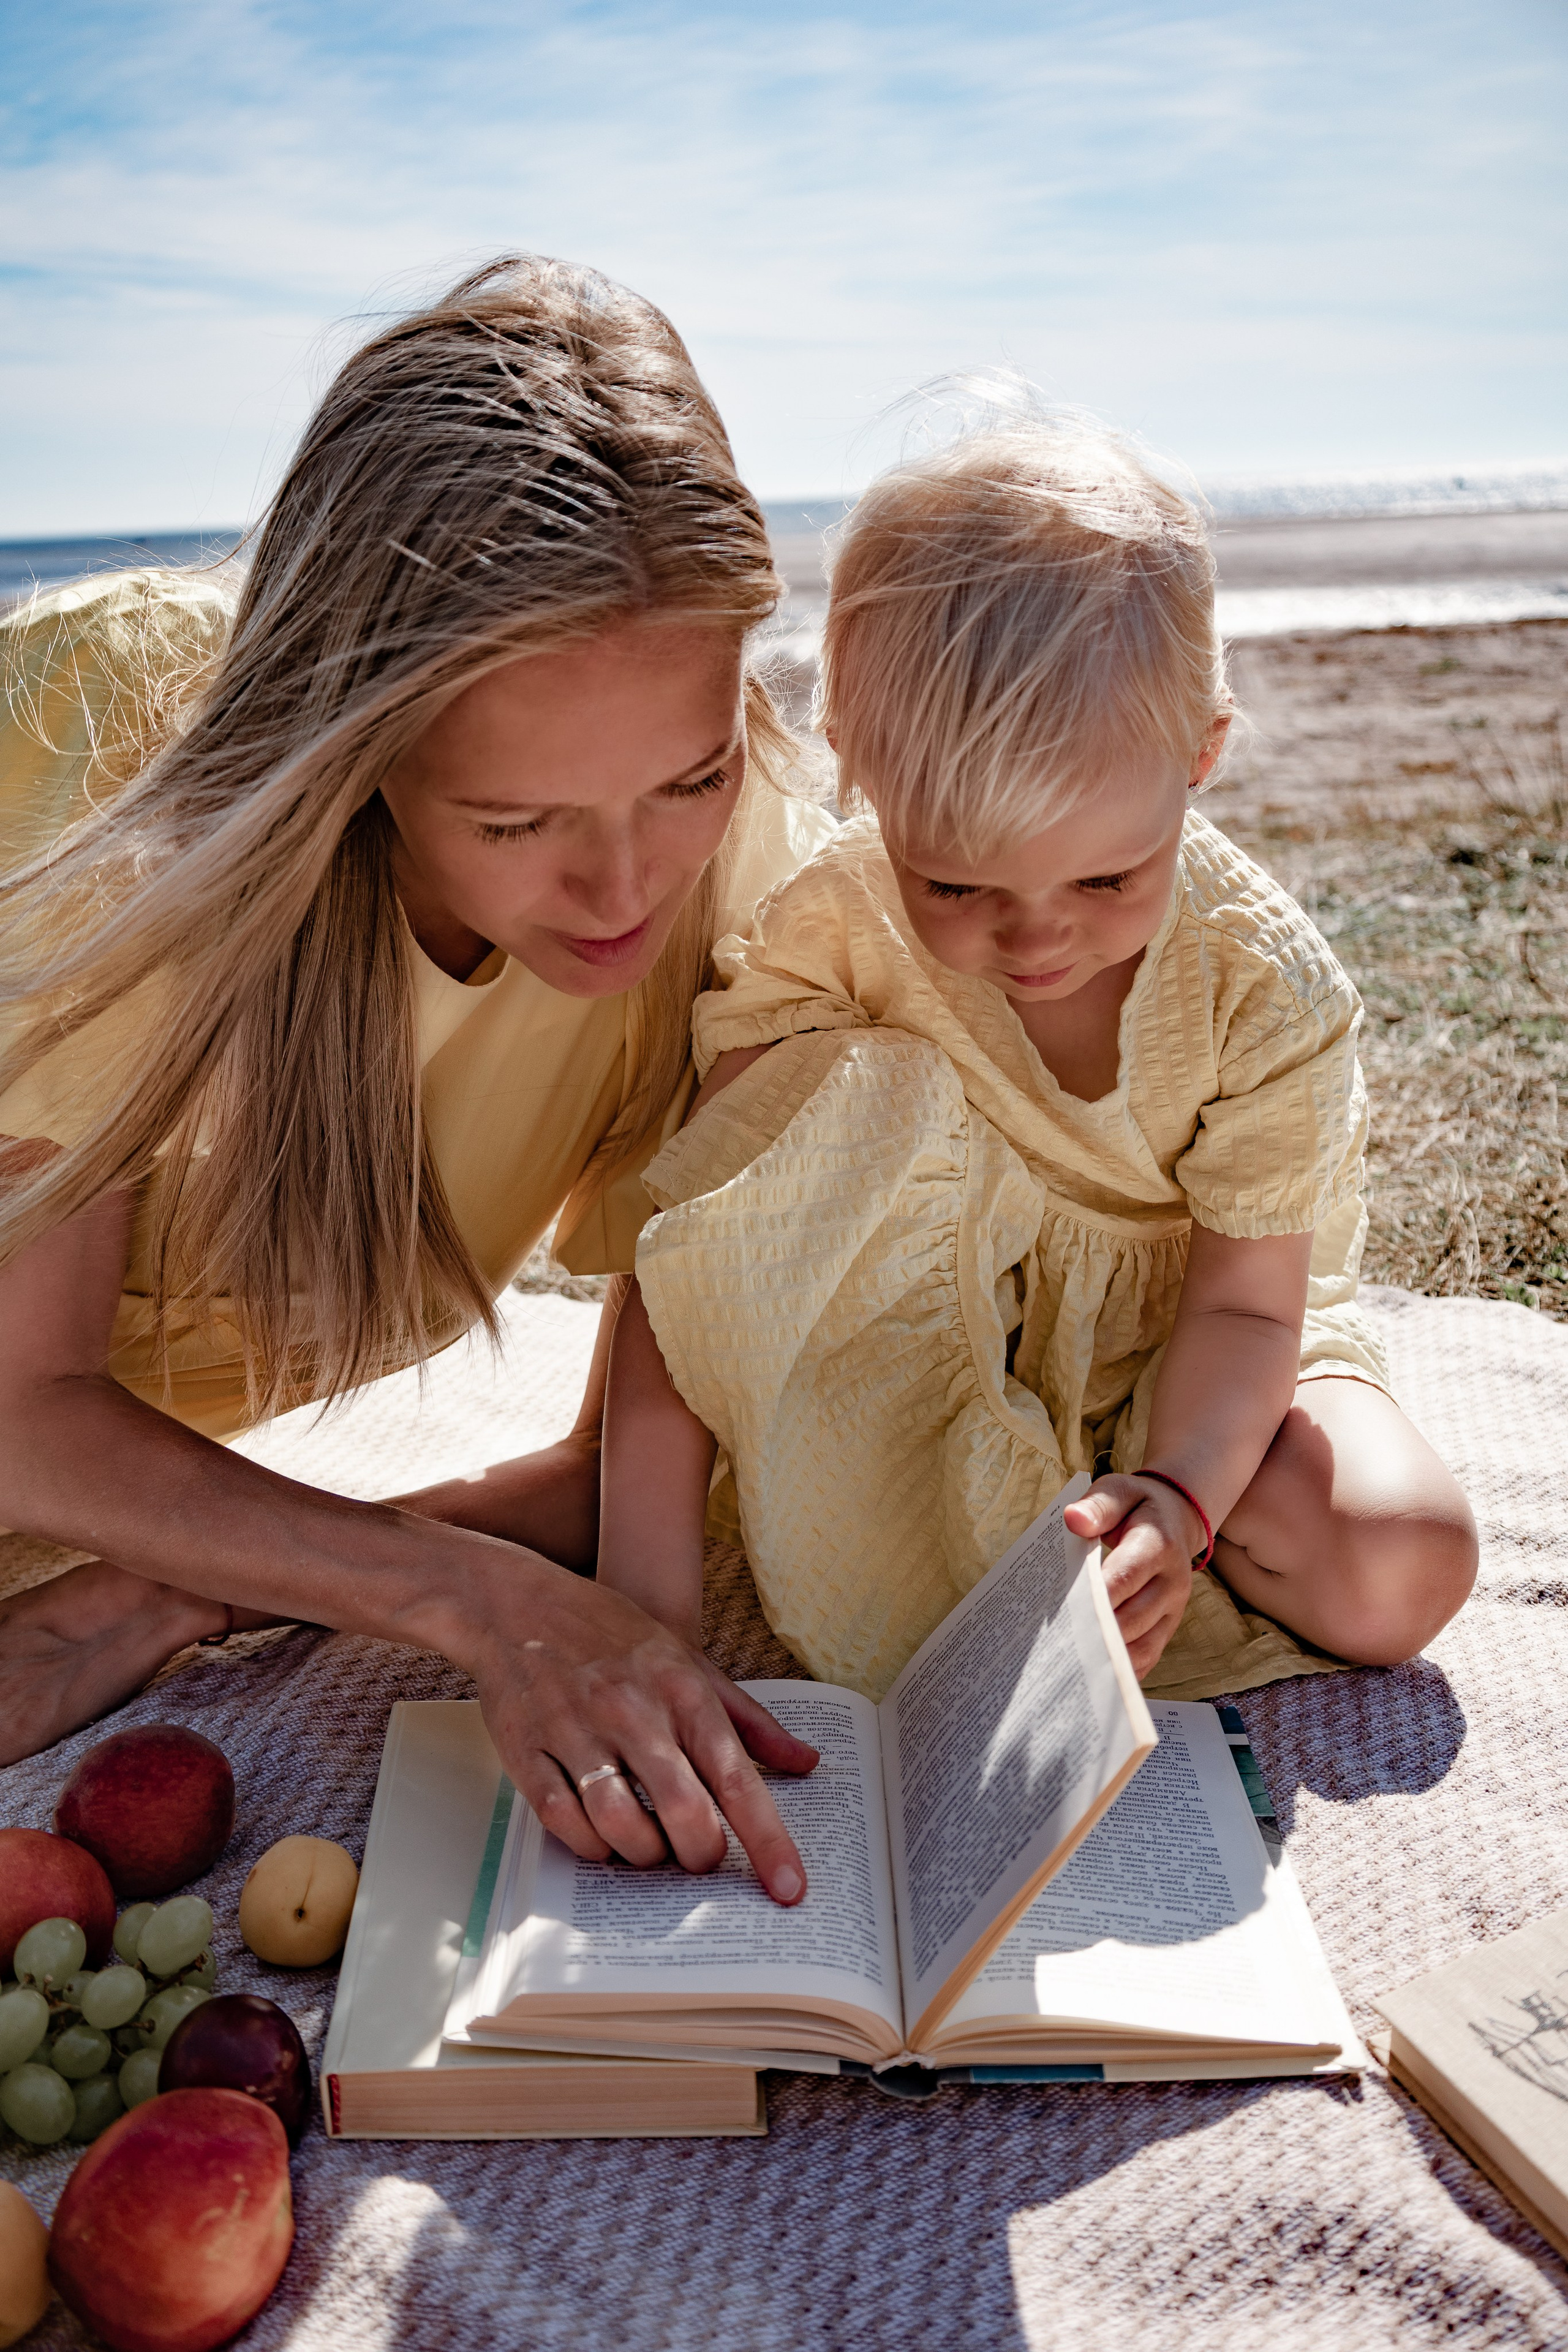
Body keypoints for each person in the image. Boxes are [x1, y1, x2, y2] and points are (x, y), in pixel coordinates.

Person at [0, 254, 832, 1901]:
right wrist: (463, 1593)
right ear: (355, 745)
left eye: (690, 778)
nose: (625, 892)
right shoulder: (128, 754)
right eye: (516, 822)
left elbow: (624, 1473)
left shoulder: (749, 894)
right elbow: (26, 1410)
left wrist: (194, 1584)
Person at [595, 412, 1478, 1702]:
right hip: (917, 1368)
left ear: (1202, 754)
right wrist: (648, 1613)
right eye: (952, 884)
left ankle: (1127, 1550)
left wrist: (1179, 1498)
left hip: (1195, 1360)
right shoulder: (831, 931)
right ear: (858, 767)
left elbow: (1247, 1309)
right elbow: (701, 1253)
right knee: (711, 1493)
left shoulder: (1259, 990)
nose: (1034, 938)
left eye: (1106, 877)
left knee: (1401, 1558)